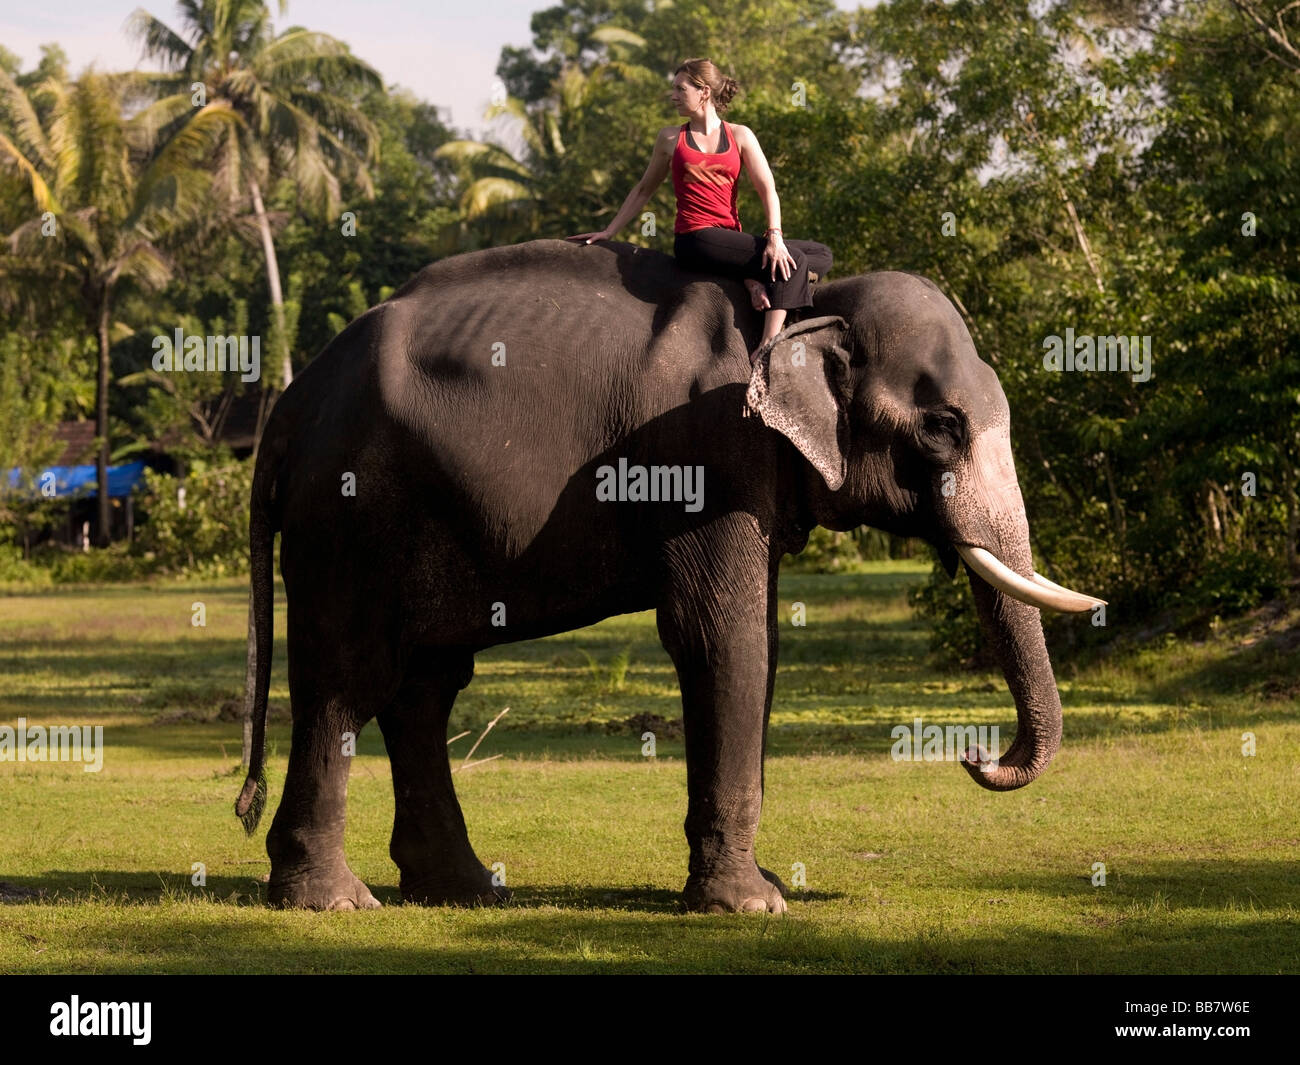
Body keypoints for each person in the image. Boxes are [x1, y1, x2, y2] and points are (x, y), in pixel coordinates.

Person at [567, 58, 832, 364]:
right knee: (795, 262)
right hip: (696, 238)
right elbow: (643, 189)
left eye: (680, 89)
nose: (673, 96)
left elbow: (767, 190)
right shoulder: (670, 139)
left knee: (821, 254)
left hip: (728, 239)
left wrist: (775, 237)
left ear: (703, 92)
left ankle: (756, 282)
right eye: (674, 89)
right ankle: (769, 345)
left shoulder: (740, 135)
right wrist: (609, 231)